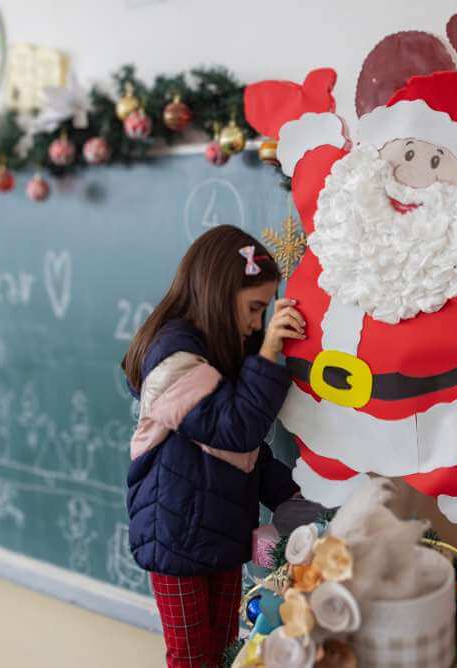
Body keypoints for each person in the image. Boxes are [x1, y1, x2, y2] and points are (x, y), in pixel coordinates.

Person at [121, 225, 306, 667]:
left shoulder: (218, 358)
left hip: (221, 533)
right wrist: (267, 355)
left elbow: (245, 455)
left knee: (225, 651)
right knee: (191, 658)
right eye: (254, 309)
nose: (255, 324)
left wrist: (299, 499)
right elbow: (235, 429)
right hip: (175, 537)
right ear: (220, 294)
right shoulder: (174, 361)